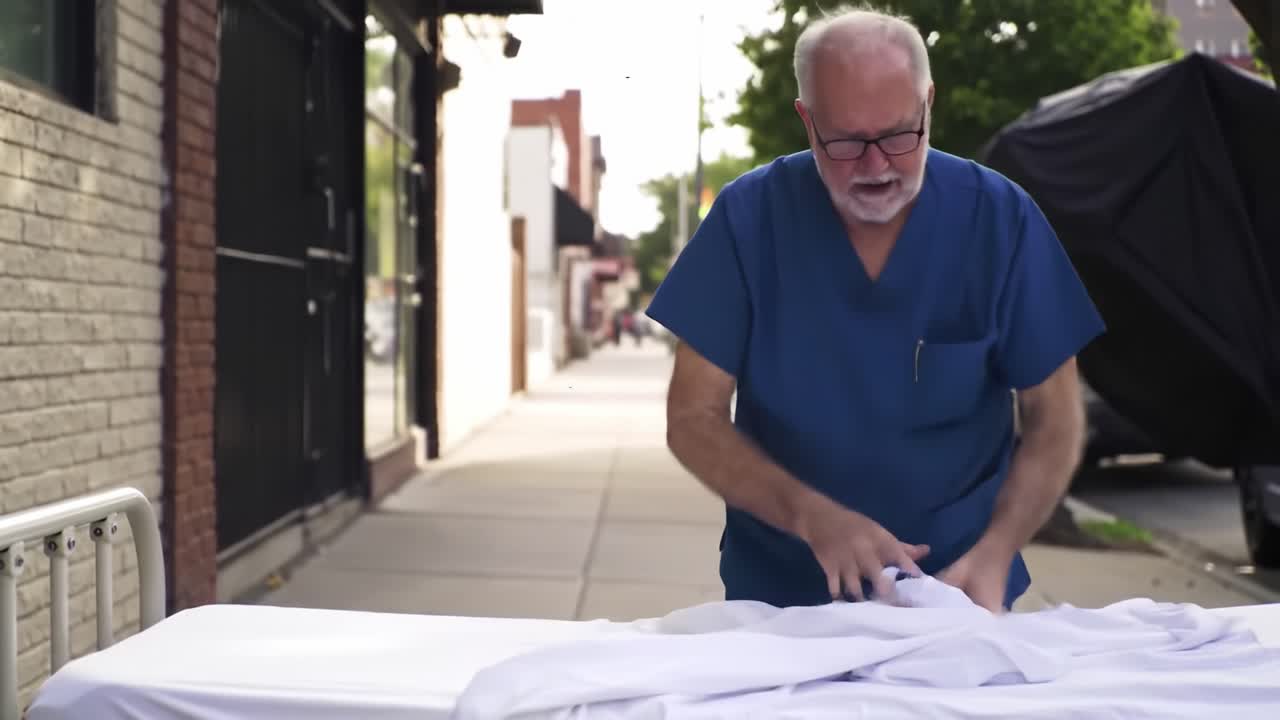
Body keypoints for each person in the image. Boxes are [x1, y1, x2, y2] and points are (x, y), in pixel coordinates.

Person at [645, 6, 1105, 613]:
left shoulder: (1000, 219)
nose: (875, 166)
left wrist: (998, 550)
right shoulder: (747, 219)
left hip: (961, 594)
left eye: (896, 135)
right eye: (845, 141)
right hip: (781, 599)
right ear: (807, 121)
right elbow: (693, 417)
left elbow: (1054, 419)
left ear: (928, 105)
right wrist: (812, 516)